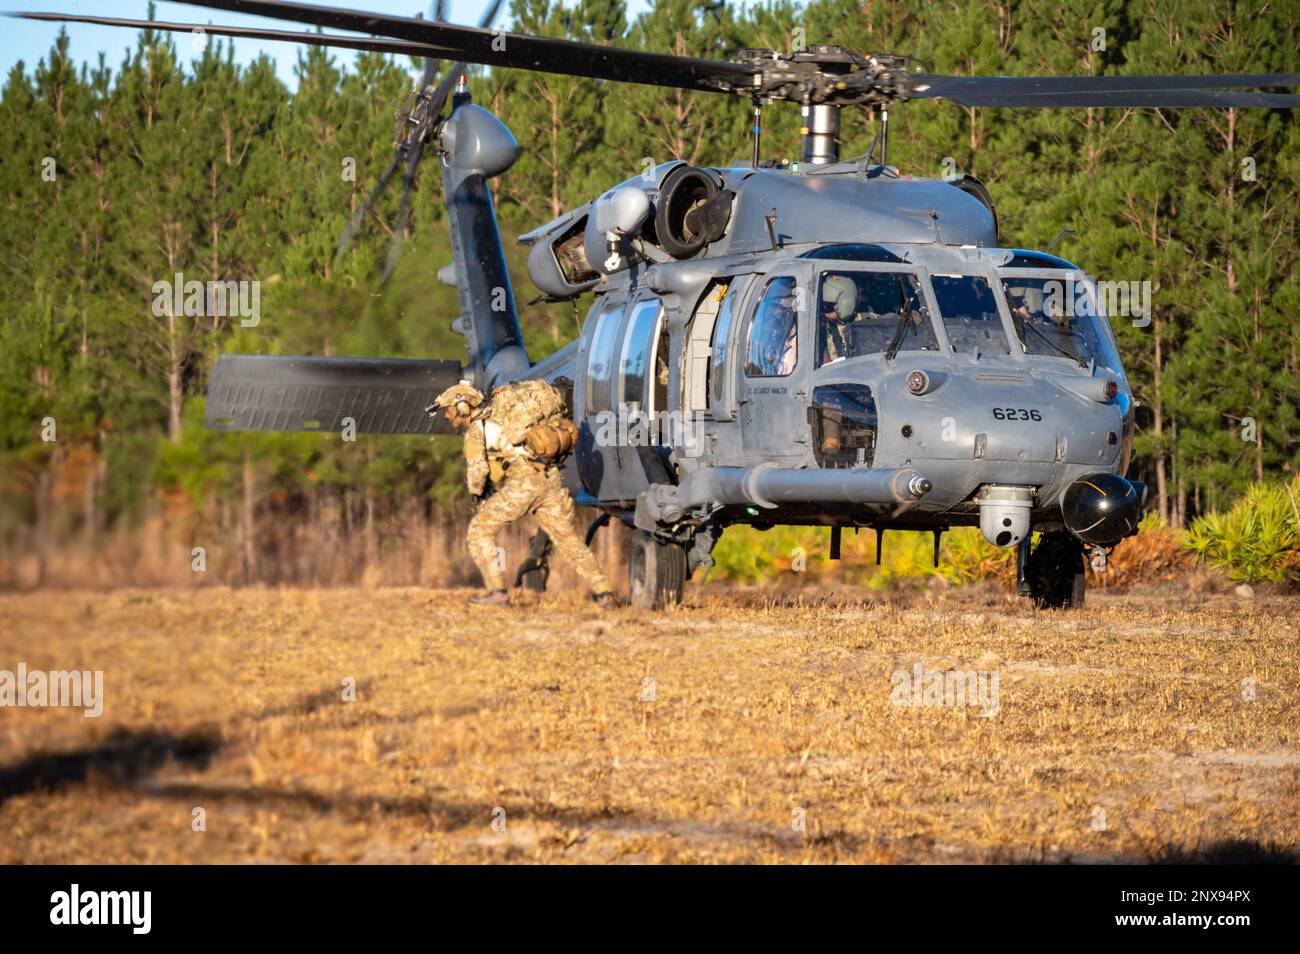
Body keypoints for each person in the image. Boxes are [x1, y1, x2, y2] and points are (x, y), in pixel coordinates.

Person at [429, 380, 615, 607]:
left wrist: (477, 495)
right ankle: (604, 592)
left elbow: (478, 472)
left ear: (463, 406)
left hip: (524, 484)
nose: (448, 417)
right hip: (550, 479)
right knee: (568, 540)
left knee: (478, 531)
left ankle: (497, 592)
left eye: (449, 411)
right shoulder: (501, 416)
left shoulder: (478, 429)